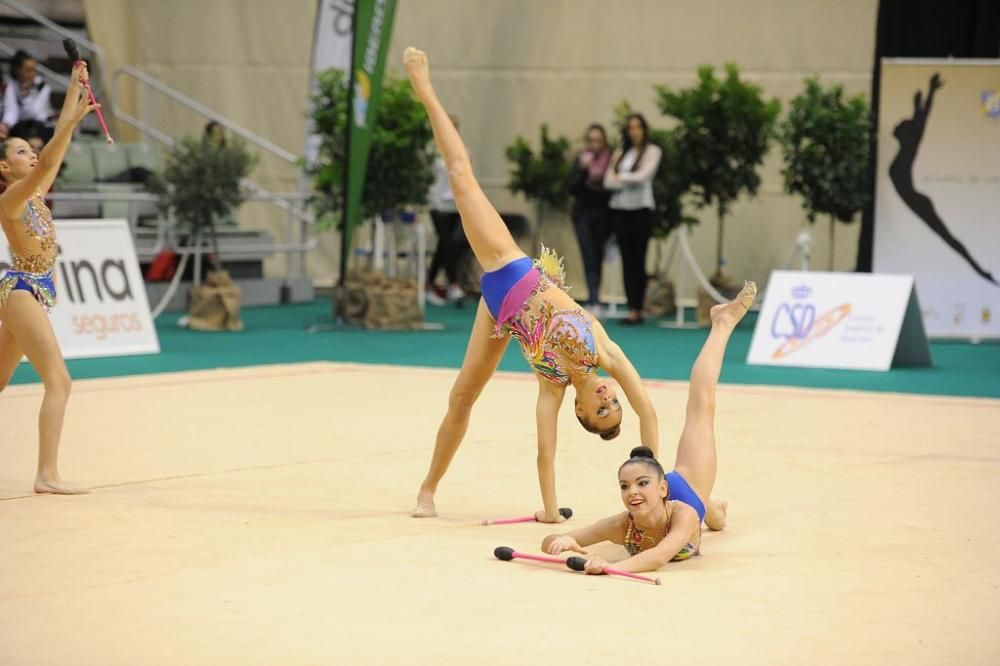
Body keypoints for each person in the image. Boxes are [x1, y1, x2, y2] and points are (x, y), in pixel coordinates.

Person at [403, 48, 659, 523]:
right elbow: (649, 412)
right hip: (510, 267)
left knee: (463, 397)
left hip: (499, 312)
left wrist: (550, 513)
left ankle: (426, 485)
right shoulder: (603, 351)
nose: (610, 399)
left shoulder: (552, 389)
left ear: (580, 412)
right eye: (613, 404)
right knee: (462, 181)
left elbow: (545, 455)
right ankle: (426, 91)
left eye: (602, 412)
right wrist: (658, 482)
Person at [541, 281, 757, 573]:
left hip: (691, 484)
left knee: (701, 405)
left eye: (642, 484)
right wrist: (565, 542)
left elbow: (657, 557)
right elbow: (551, 540)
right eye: (625, 486)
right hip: (687, 499)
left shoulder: (684, 515)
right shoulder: (622, 525)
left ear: (662, 487)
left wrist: (609, 566)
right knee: (713, 515)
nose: (633, 492)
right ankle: (715, 513)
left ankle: (723, 322)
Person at [0, 61, 97, 494]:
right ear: (4, 168)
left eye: (30, 149)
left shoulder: (35, 190)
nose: (32, 154)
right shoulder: (13, 198)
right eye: (21, 151)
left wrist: (75, 88)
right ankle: (47, 474)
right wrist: (75, 114)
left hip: (36, 292)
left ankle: (47, 474)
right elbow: (49, 161)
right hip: (20, 290)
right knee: (58, 380)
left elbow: (55, 150)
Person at [604, 113, 662, 325]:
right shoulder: (621, 153)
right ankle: (631, 308)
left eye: (638, 127)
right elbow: (608, 181)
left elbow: (643, 177)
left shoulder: (653, 151)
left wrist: (621, 178)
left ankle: (639, 306)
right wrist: (625, 179)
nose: (634, 131)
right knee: (626, 260)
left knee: (639, 259)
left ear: (644, 129)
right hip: (620, 210)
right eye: (630, 127)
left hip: (641, 210)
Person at [568, 123, 612, 315]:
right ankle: (593, 298)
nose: (594, 144)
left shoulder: (611, 161)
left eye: (598, 140)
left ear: (604, 142)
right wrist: (582, 169)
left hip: (603, 215)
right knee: (588, 256)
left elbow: (611, 189)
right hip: (583, 216)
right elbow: (571, 188)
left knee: (599, 256)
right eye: (591, 140)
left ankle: (597, 298)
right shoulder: (580, 160)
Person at [426, 113, 469, 306]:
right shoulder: (433, 152)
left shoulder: (463, 151)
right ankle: (454, 284)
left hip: (455, 205)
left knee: (445, 246)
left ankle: (429, 283)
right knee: (447, 244)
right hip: (438, 205)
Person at [1, 50, 53, 138]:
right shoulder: (12, 85)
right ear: (18, 70)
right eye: (28, 70)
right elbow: (11, 111)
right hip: (20, 126)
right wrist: (5, 125)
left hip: (40, 125)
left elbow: (34, 112)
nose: (32, 74)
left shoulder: (43, 86)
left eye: (34, 70)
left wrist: (27, 94)